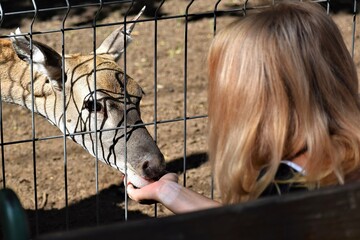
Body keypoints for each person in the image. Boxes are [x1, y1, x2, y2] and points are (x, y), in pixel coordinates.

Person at [127, 1, 360, 213]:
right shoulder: (341, 162)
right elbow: (247, 224)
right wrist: (169, 193)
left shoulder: (285, 188)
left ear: (247, 100)